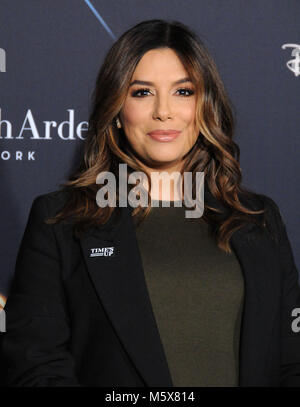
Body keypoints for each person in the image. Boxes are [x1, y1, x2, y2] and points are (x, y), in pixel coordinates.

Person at [1, 19, 300, 387]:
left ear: (206, 105)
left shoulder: (258, 218)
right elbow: (37, 366)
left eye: (183, 91)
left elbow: (291, 362)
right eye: (142, 92)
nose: (164, 111)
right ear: (116, 109)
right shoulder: (60, 220)